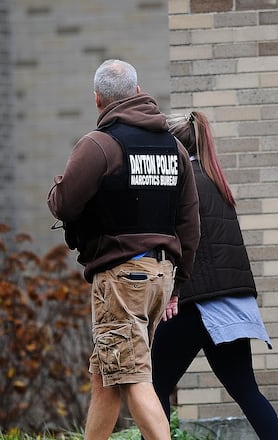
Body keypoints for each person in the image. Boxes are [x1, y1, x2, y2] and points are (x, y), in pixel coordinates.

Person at [47, 59, 200, 440]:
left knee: (130, 376)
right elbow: (190, 225)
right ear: (137, 91)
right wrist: (177, 285)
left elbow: (63, 204)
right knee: (107, 375)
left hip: (121, 278)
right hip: (160, 276)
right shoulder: (174, 147)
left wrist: (58, 185)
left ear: (98, 99)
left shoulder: (100, 144)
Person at [149, 111, 278, 439]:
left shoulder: (179, 184)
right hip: (231, 302)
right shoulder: (214, 179)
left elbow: (174, 244)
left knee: (154, 387)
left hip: (194, 299)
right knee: (247, 391)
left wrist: (170, 291)